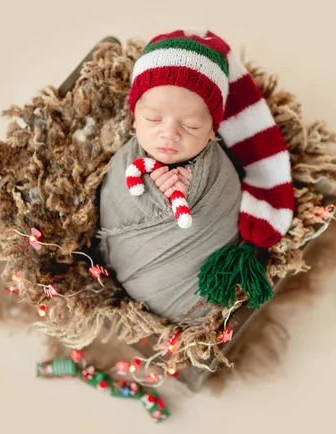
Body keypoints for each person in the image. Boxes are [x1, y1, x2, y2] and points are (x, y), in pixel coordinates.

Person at [97, 29, 295, 323]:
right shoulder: (125, 160)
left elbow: (225, 199)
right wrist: (155, 197)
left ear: (213, 130)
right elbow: (114, 200)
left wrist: (192, 191)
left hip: (205, 296)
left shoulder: (219, 168)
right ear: (134, 116)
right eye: (153, 119)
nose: (169, 133)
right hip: (124, 275)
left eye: (190, 126)